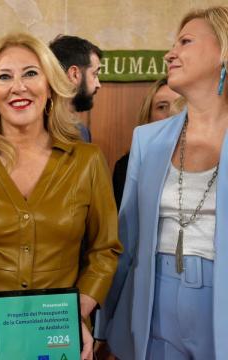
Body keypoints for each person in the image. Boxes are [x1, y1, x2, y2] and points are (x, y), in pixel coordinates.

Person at [0, 32, 122, 360]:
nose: (18, 86)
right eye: (4, 76)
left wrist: (78, 313)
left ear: (50, 85)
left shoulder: (88, 161)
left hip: (59, 338)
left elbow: (104, 250)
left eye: (30, 73)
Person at [97, 6, 228, 359]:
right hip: (153, 299)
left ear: (224, 51)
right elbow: (125, 239)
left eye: (185, 41)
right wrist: (104, 324)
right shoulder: (147, 139)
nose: (170, 53)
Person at [112, 78, 181, 207]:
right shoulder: (126, 167)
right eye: (162, 107)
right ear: (148, 116)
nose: (172, 112)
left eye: (179, 105)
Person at [49, 35, 103, 142]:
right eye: (94, 74)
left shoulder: (83, 132)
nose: (98, 85)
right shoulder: (36, 131)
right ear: (74, 74)